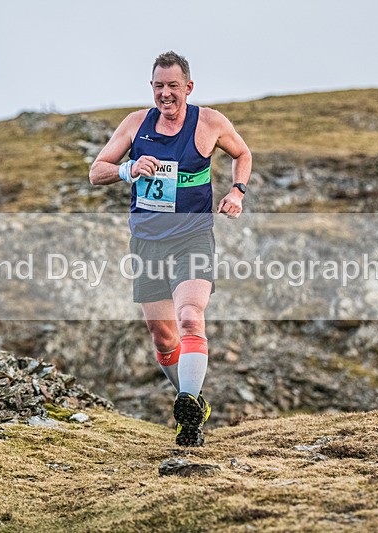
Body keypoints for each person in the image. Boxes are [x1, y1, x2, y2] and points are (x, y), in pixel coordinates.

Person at [89, 51, 252, 446]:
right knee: (163, 337)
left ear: (188, 87)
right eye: (159, 86)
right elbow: (96, 172)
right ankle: (192, 401)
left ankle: (188, 417)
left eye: (173, 86)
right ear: (152, 87)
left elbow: (242, 153)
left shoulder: (209, 122)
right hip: (147, 243)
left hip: (192, 238)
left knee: (191, 318)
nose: (166, 93)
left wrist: (237, 191)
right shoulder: (135, 124)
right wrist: (128, 169)